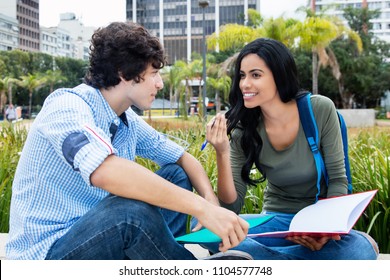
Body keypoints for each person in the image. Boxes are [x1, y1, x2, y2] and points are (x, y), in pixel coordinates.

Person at [5, 22, 251, 260]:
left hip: (95, 233)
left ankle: (164, 256)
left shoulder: (125, 120)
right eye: (154, 73)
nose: (160, 83)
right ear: (124, 73)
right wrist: (200, 208)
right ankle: (181, 267)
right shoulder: (67, 107)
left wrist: (210, 200)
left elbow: (183, 159)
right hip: (48, 253)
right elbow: (105, 171)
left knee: (177, 174)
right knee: (129, 212)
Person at [203, 38, 379, 260]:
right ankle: (298, 260)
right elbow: (231, 207)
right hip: (277, 221)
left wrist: (325, 229)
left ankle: (264, 259)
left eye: (256, 75)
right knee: (213, 235)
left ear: (279, 75)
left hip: (318, 220)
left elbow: (338, 179)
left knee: (359, 250)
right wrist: (222, 152)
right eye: (242, 75)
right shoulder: (243, 128)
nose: (245, 84)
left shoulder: (319, 109)